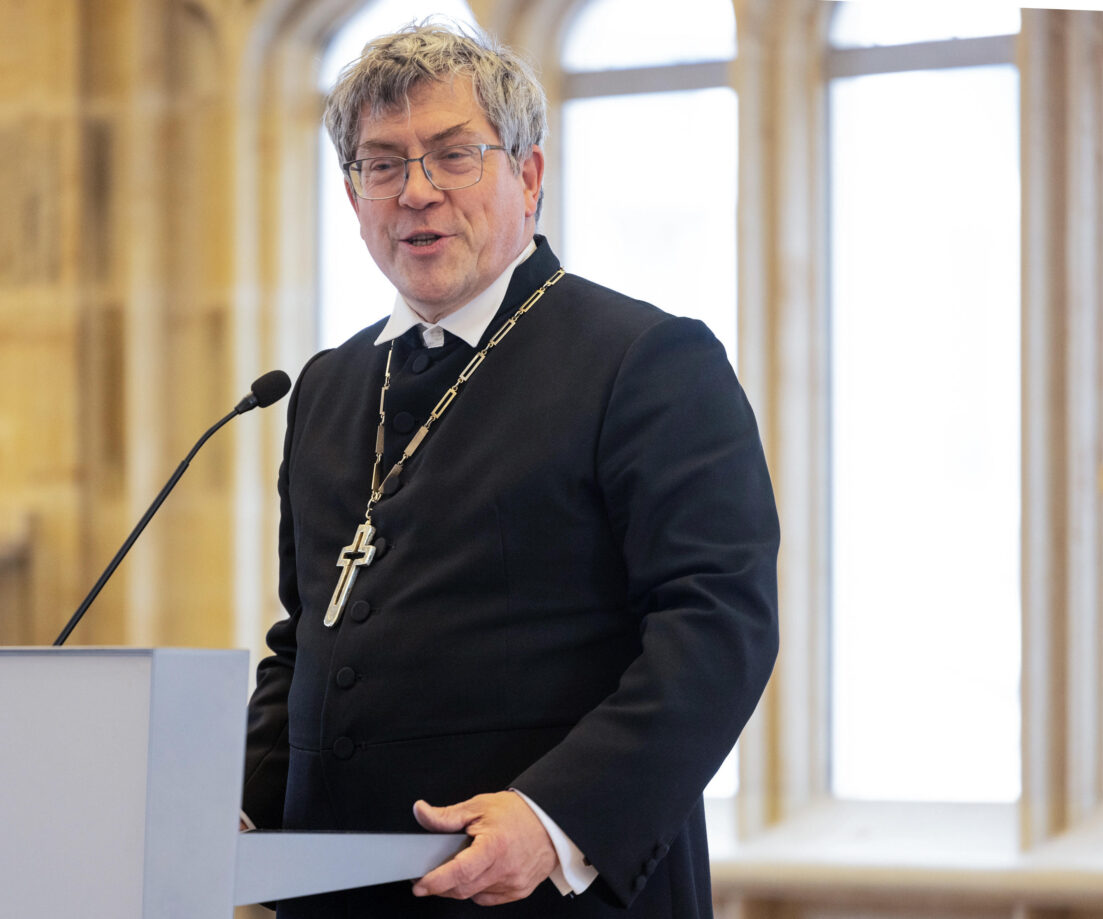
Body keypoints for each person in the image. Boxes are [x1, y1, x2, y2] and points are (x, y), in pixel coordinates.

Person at [240, 20, 779, 918]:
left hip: (551, 896)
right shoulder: (330, 387)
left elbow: (717, 625)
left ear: (527, 175)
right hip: (336, 897)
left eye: (454, 156)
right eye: (383, 164)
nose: (417, 192)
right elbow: (307, 637)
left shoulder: (645, 359)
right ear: (352, 195)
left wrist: (553, 817)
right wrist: (242, 810)